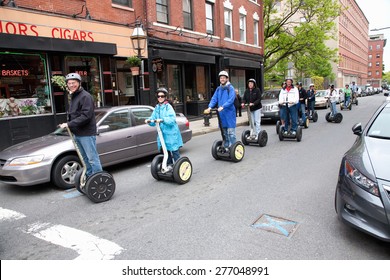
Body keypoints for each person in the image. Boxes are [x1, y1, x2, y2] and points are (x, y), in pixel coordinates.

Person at [59, 73, 102, 178]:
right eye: (69, 83)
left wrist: (69, 124)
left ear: (79, 83)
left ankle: (98, 178)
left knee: (92, 158)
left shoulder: (86, 96)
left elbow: (86, 116)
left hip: (86, 133)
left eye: (73, 83)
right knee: (84, 158)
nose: (71, 85)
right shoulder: (74, 96)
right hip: (77, 133)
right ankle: (89, 176)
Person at [146, 87, 183, 167]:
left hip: (171, 133)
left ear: (165, 97)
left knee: (174, 151)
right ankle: (170, 166)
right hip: (162, 134)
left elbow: (171, 119)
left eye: (162, 96)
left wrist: (162, 120)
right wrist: (149, 120)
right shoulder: (157, 108)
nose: (160, 98)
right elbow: (153, 118)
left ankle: (179, 168)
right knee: (165, 151)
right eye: (158, 96)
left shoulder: (168, 107)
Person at [204, 70, 236, 150]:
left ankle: (233, 148)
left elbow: (231, 100)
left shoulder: (230, 88)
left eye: (223, 78)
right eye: (221, 78)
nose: (222, 79)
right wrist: (210, 107)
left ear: (227, 79)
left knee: (231, 132)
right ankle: (226, 146)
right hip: (221, 114)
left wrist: (223, 106)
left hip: (229, 113)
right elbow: (214, 99)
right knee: (224, 132)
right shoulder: (218, 89)